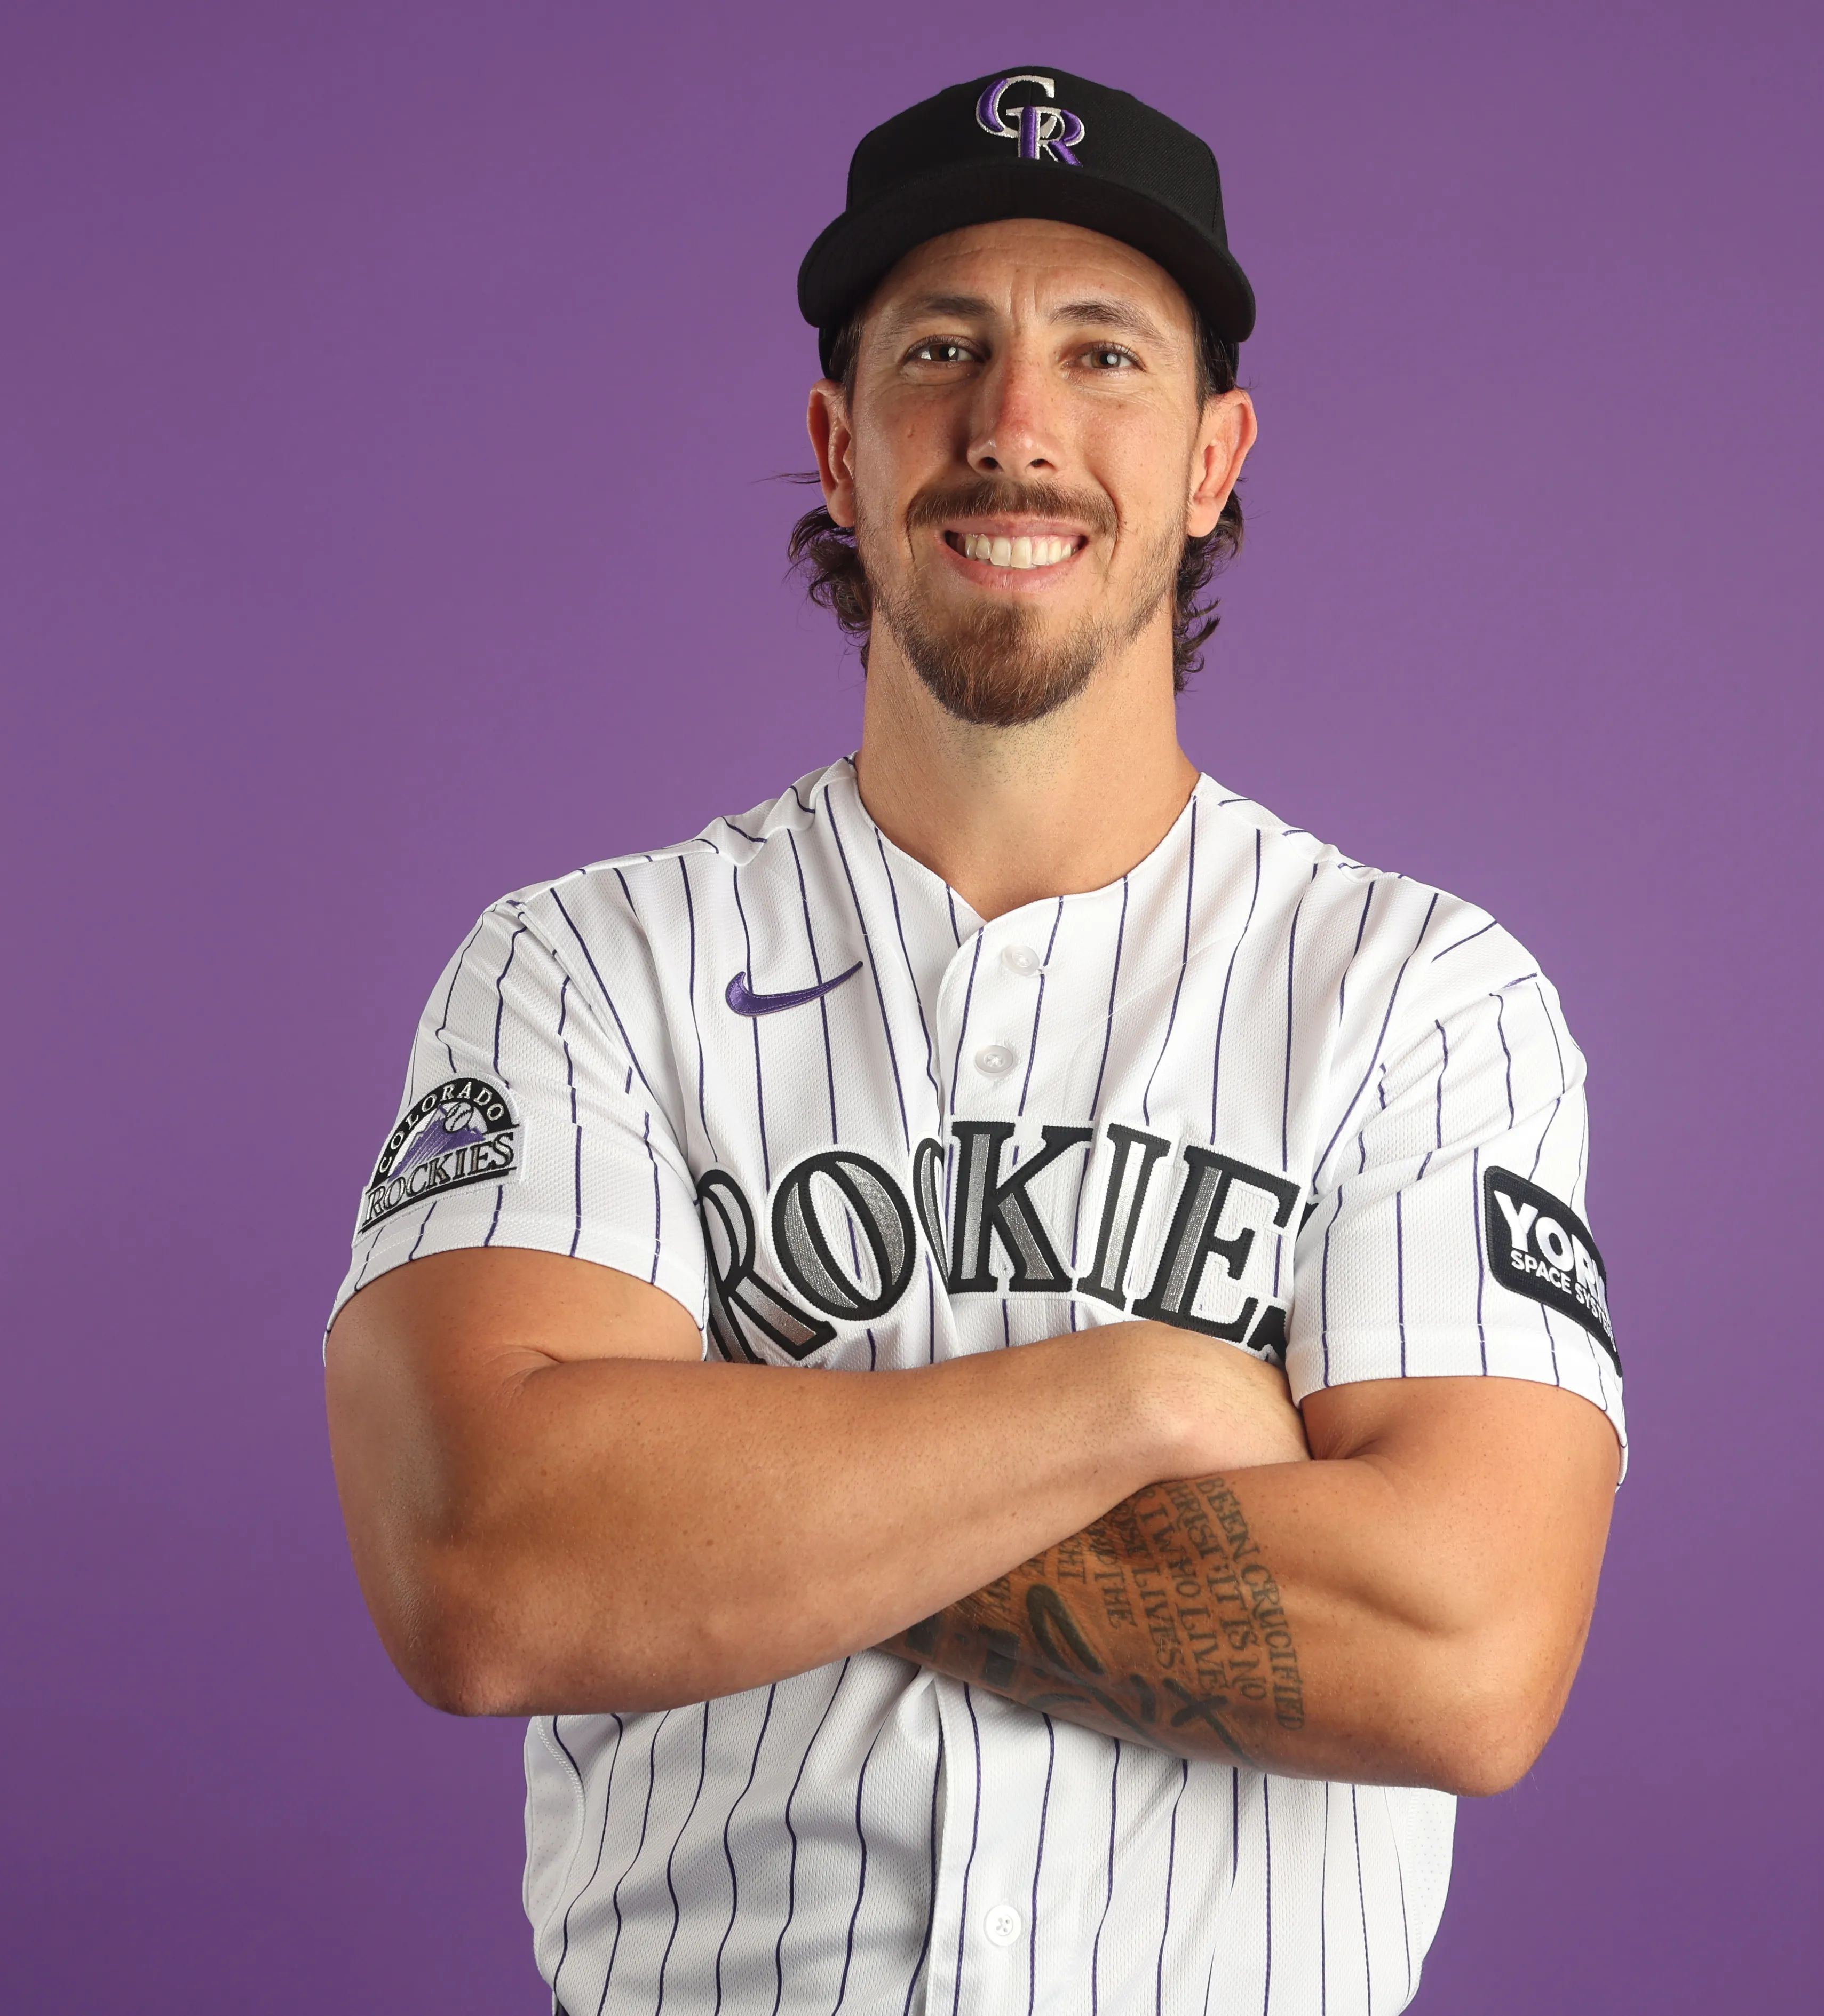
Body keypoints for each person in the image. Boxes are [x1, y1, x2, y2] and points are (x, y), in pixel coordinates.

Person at [322, 66, 1625, 2015]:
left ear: (1212, 458)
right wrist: (1150, 1398)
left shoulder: (1421, 994)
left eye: (1105, 356)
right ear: (841, 446)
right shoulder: (587, 964)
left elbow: (1465, 1653)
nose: (1016, 429)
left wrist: (729, 1535)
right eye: (947, 349)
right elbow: (491, 1566)